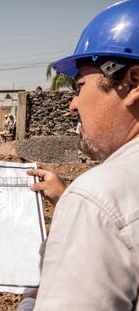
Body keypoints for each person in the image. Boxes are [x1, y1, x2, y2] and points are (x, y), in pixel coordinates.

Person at [17, 1, 139, 309]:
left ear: (133, 82)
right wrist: (68, 195)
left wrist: (31, 300)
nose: (74, 104)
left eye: (81, 85)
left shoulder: (97, 198)